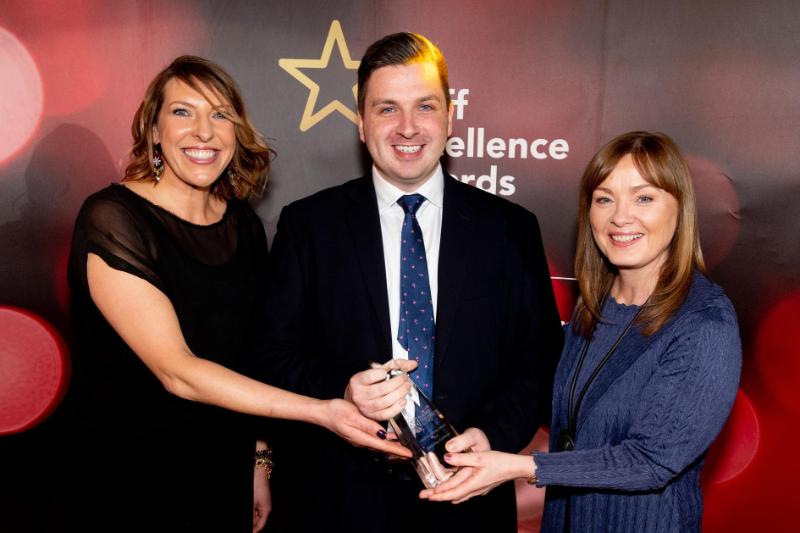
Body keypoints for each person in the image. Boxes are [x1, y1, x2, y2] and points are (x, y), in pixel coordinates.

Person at [65, 55, 409, 533]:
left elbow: (250, 357)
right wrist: (321, 411)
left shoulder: (242, 224)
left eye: (220, 114)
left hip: (220, 469)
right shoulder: (113, 218)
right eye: (183, 112)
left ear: (236, 131)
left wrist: (259, 463)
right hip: (130, 475)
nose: (204, 132)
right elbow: (178, 371)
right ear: (154, 130)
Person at [250, 33, 563, 532]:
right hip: (336, 502)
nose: (408, 127)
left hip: (469, 499)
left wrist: (491, 435)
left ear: (450, 118)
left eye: (425, 106)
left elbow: (539, 359)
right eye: (387, 109)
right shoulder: (309, 226)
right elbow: (270, 355)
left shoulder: (510, 230)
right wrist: (343, 391)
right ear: (361, 122)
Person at [421, 131, 742, 533]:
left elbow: (651, 461)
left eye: (644, 198)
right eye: (604, 199)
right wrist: (487, 438)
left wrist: (521, 467)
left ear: (680, 209)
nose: (620, 217)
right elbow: (568, 418)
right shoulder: (594, 307)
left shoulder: (704, 323)